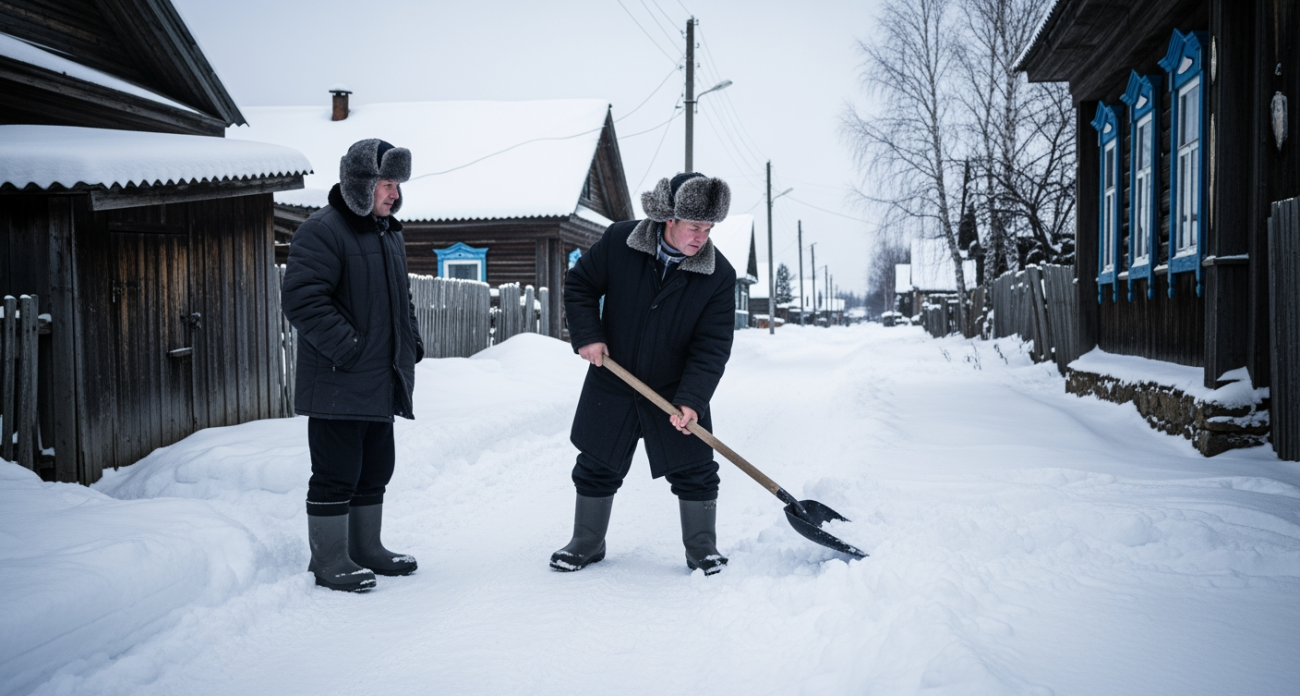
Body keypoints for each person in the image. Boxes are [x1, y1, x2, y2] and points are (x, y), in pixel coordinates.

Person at [553, 172, 736, 575]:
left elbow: (712, 347)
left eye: (708, 228)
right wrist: (587, 334)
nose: (701, 237)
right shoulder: (621, 242)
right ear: (669, 219)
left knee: (696, 469)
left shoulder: (718, 276)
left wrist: (691, 400)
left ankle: (702, 547)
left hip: (675, 389)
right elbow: (580, 284)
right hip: (614, 376)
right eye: (694, 227)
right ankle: (587, 540)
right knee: (597, 462)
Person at [281, 139, 424, 592]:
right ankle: (329, 561)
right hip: (340, 381)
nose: (394, 194)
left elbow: (400, 299)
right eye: (387, 184)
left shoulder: (388, 233)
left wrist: (411, 342)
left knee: (375, 468)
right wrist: (351, 349)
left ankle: (366, 549)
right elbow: (303, 300)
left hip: (382, 379)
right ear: (361, 183)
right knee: (336, 472)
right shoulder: (322, 230)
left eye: (397, 185)